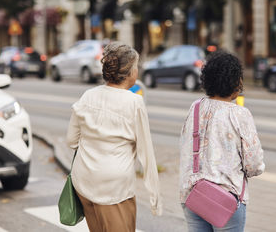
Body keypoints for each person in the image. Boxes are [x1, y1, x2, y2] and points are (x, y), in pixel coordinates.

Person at [66, 42, 162, 232]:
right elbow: (146, 151)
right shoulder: (134, 102)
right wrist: (155, 198)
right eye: (136, 67)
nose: (138, 71)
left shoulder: (87, 96)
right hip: (114, 187)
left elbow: (71, 141)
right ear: (128, 72)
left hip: (84, 181)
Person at [179, 51, 265, 232]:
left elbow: (185, 144)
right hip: (226, 200)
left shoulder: (195, 108)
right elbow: (254, 165)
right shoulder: (240, 114)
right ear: (235, 81)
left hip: (192, 195)